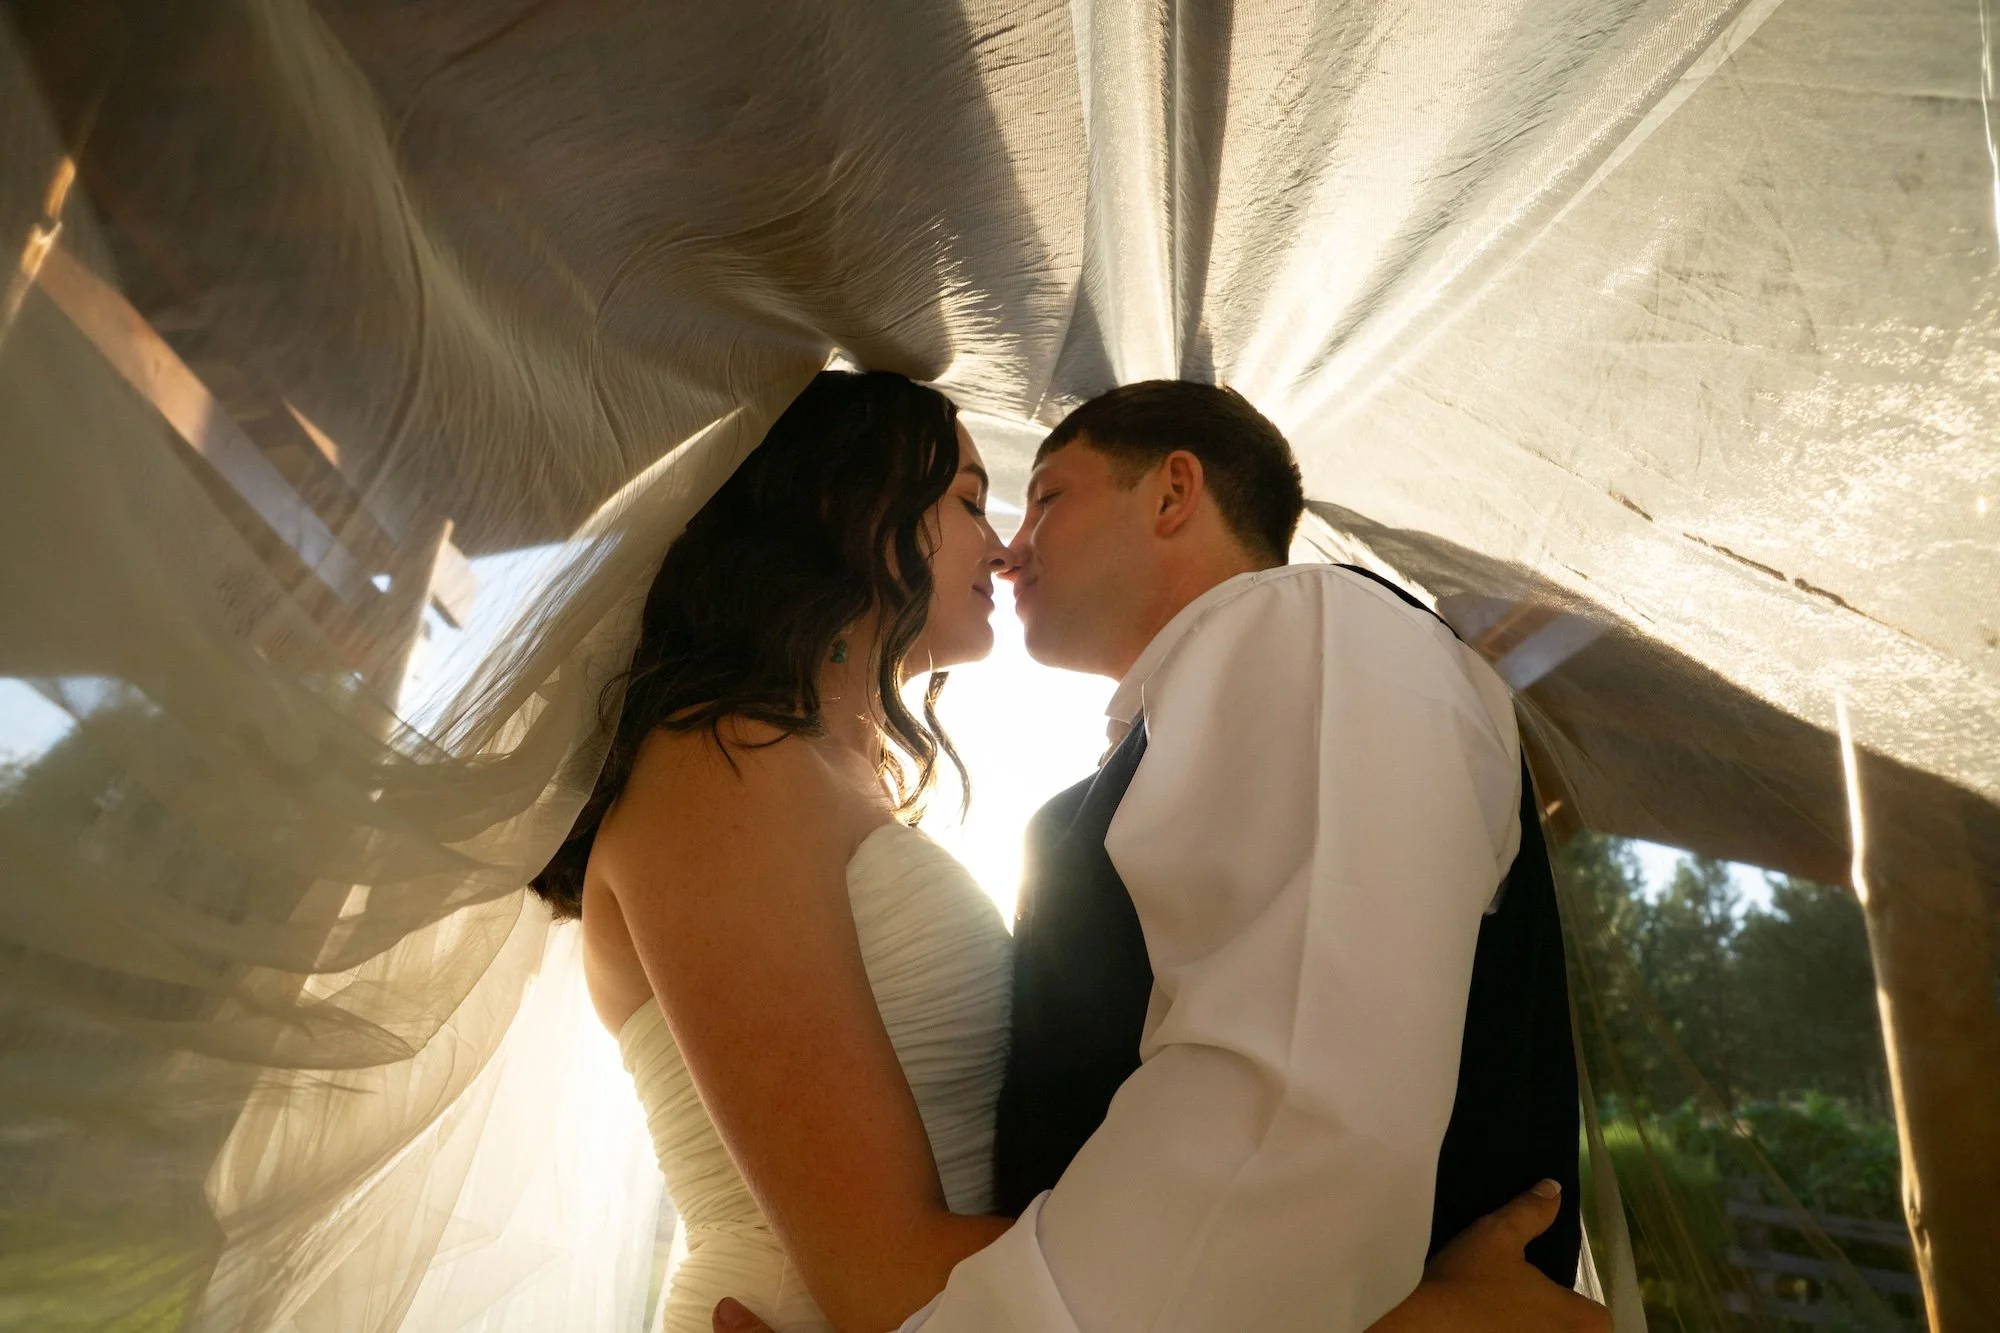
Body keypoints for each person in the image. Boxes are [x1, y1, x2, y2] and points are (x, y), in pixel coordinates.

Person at [531, 369, 1602, 1333]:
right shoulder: (731, 766)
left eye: (1041, 497)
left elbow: (1292, 1106)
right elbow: (885, 1262)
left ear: (1173, 493)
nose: (1004, 541)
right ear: (843, 506)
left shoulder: (1309, 643)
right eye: (967, 498)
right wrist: (1417, 1316)